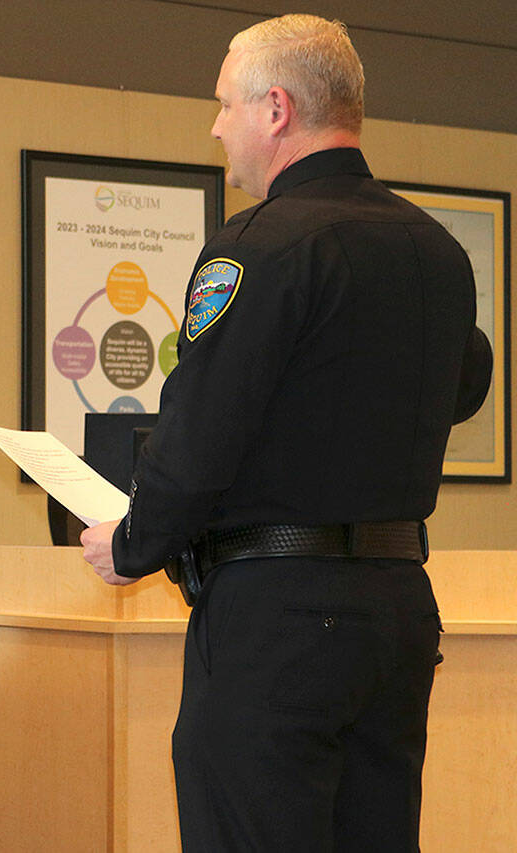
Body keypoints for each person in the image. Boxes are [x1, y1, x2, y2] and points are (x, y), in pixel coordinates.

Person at [79, 15, 492, 851]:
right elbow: (466, 384)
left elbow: (200, 437)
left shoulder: (257, 249)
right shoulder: (436, 252)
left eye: (223, 104)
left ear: (276, 109)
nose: (215, 125)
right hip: (397, 609)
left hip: (278, 618)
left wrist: (130, 545)